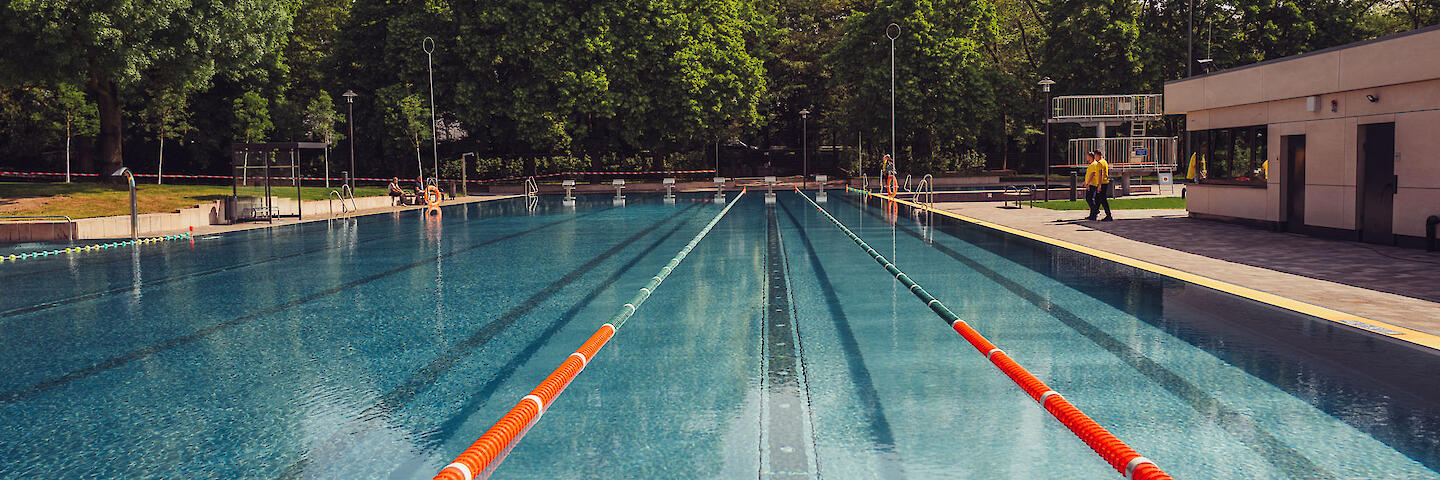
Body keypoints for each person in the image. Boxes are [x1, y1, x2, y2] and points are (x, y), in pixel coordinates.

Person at [1083, 149, 1112, 221]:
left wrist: (1099, 185)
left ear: (1097, 155)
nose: (1095, 157)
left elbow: (1100, 174)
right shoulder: (1104, 162)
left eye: (1095, 156)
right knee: (1097, 200)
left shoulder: (1099, 163)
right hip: (1104, 182)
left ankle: (1108, 215)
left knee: (1102, 200)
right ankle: (1093, 215)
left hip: (1102, 183)